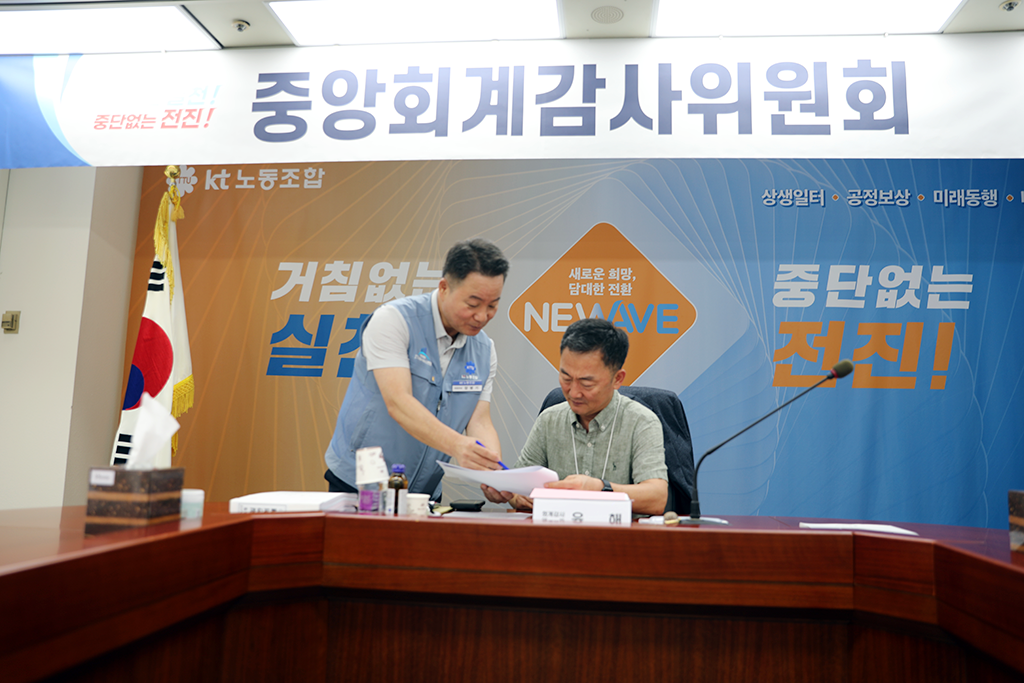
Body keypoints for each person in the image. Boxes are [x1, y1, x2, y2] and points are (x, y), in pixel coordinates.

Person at [324, 238, 509, 499]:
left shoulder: (484, 349)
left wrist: (493, 473)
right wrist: (457, 445)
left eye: (492, 305)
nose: (482, 316)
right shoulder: (394, 320)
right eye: (472, 304)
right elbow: (399, 403)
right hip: (361, 484)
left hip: (424, 493)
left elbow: (479, 420)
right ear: (444, 287)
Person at [482, 318, 668, 515]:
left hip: (619, 533)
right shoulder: (549, 420)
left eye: (587, 383)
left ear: (617, 379)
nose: (574, 393)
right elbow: (518, 488)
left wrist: (600, 489)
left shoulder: (642, 422)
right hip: (557, 531)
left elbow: (657, 498)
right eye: (566, 378)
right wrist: (512, 495)